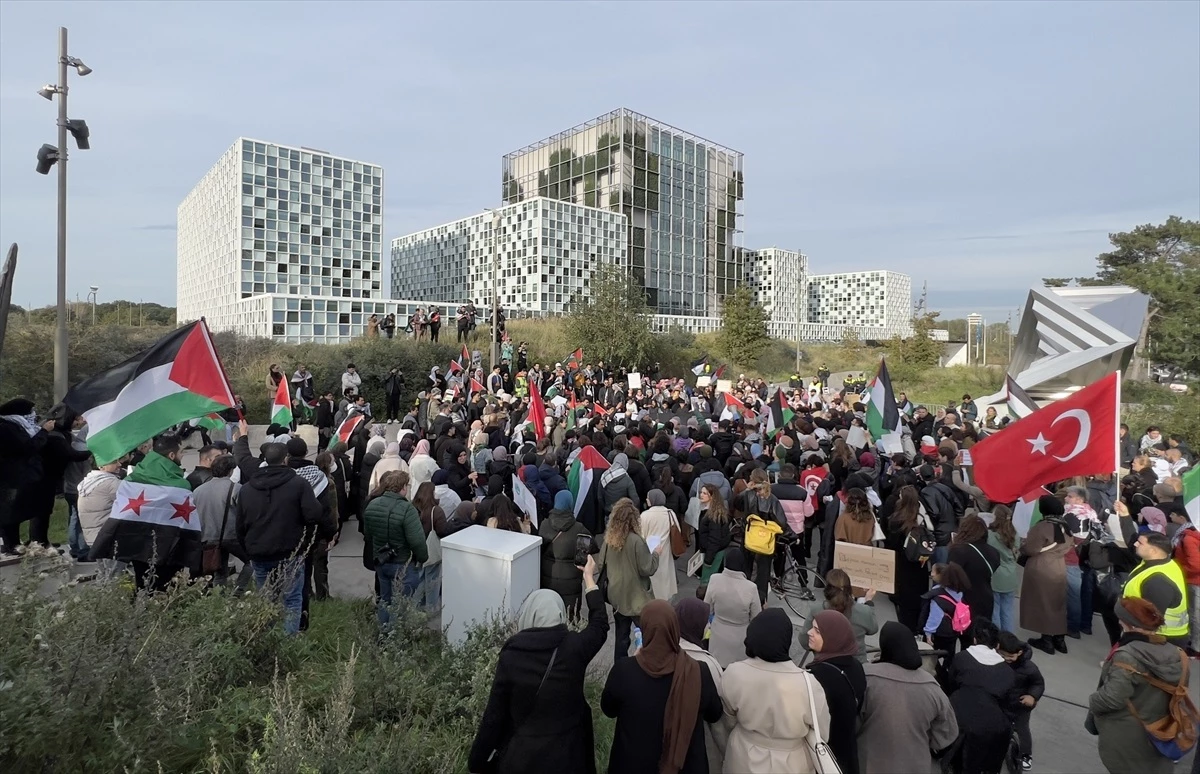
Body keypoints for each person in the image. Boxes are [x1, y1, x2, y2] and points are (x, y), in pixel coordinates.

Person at [468, 559, 609, 774]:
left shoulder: (512, 656)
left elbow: (494, 716)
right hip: (568, 755)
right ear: (560, 615)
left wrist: (477, 761)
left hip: (524, 757)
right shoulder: (574, 648)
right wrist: (589, 578)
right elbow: (599, 624)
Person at [601, 599, 723, 774]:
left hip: (632, 764)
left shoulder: (624, 670)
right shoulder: (697, 671)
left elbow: (608, 709)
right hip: (685, 765)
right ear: (674, 628)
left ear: (644, 629)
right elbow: (714, 714)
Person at [723, 607, 831, 774]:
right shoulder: (809, 683)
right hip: (792, 762)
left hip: (743, 754)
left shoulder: (734, 673)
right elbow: (822, 731)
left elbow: (727, 720)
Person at [235, 436, 324, 635]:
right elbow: (314, 515)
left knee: (266, 597)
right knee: (292, 599)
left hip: (258, 553)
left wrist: (248, 551)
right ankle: (288, 644)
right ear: (286, 459)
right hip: (290, 551)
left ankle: (268, 639)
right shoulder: (299, 484)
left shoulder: (247, 489)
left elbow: (239, 525)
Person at [1088, 597, 1187, 774]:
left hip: (1128, 734)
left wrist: (1094, 700)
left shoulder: (1127, 655)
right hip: (1161, 730)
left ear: (1128, 624)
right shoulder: (1177, 654)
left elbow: (1112, 698)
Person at [88, 435, 193, 591]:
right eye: (181, 452)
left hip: (138, 546)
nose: (182, 456)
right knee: (166, 587)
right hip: (168, 547)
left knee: (142, 583)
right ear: (171, 455)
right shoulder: (180, 486)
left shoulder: (131, 481)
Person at [858, 622, 959, 774]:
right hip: (915, 766)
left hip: (869, 763)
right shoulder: (933, 688)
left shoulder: (866, 677)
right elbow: (945, 735)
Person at [946, 619, 1017, 774]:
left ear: (974, 640)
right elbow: (1009, 706)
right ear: (997, 645)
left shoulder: (961, 658)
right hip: (994, 728)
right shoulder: (1008, 672)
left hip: (962, 721)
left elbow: (951, 686)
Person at [598, 498, 663, 660]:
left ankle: (620, 668)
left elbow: (601, 564)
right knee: (649, 635)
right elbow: (647, 568)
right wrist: (656, 554)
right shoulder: (636, 541)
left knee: (621, 637)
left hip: (616, 597)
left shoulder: (608, 540)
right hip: (636, 598)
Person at [362, 470, 428, 629]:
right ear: (403, 487)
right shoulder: (407, 509)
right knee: (401, 605)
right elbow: (417, 541)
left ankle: (382, 634)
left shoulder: (372, 504)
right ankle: (395, 639)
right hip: (402, 562)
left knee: (385, 599)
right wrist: (422, 558)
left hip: (382, 561)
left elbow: (368, 534)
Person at [674, 597, 731, 774]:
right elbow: (717, 715)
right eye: (707, 621)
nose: (709, 626)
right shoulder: (707, 663)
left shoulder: (666, 651)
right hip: (699, 740)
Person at [805, 609, 866, 774]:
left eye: (817, 631)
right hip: (847, 753)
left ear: (832, 637)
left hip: (823, 753)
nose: (809, 633)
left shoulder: (816, 676)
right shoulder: (857, 667)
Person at [732, 468, 794, 605]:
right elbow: (782, 522)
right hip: (766, 541)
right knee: (763, 572)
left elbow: (736, 504)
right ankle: (760, 602)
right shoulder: (772, 499)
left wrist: (747, 490)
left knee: (746, 569)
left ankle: (743, 599)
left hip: (748, 537)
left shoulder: (747, 495)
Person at [1020, 496, 1071, 655]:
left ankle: (1046, 639)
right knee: (1058, 603)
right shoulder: (1065, 525)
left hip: (1041, 566)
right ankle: (1059, 639)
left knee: (1043, 604)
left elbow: (1031, 549)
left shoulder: (1042, 526)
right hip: (1059, 565)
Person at [1122, 531, 1190, 648]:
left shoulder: (1158, 580)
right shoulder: (1156, 562)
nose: (1135, 544)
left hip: (1159, 638)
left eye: (1140, 543)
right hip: (1152, 633)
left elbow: (1150, 619)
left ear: (1153, 551)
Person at [193, 455, 250, 590]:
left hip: (208, 537)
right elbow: (243, 514)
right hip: (230, 536)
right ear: (230, 470)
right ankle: (238, 591)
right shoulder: (235, 488)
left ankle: (220, 595)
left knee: (220, 570)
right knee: (252, 562)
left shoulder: (198, 491)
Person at [883, 484, 932, 634]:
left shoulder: (897, 520)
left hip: (903, 565)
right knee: (919, 601)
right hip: (920, 564)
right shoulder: (922, 517)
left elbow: (891, 542)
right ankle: (919, 631)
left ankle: (907, 633)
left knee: (905, 605)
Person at [703, 548, 762, 668]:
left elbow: (706, 608)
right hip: (740, 639)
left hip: (717, 636)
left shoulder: (715, 579)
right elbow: (756, 619)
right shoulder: (751, 588)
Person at [539, 490, 593, 620]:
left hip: (547, 578)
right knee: (571, 617)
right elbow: (592, 546)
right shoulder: (579, 528)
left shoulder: (544, 524)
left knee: (549, 615)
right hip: (571, 582)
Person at [997, 630, 1045, 772]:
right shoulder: (997, 662)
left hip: (1020, 705)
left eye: (1010, 656)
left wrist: (1032, 696)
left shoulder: (1029, 668)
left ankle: (1025, 754)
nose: (1006, 659)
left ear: (1019, 653)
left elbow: (1038, 684)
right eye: (1002, 655)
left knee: (1022, 729)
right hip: (1001, 702)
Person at [76, 456, 125, 578]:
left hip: (94, 537)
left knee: (104, 574)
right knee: (114, 576)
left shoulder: (88, 481)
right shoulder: (111, 483)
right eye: (114, 461)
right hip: (110, 537)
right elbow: (132, 499)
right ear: (101, 466)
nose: (119, 464)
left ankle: (102, 596)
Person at [948, 512, 1001, 622]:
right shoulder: (994, 552)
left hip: (963, 599)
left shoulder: (958, 551)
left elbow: (950, 576)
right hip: (986, 598)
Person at [920, 561, 972, 670]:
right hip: (953, 630)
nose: (932, 574)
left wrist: (928, 633)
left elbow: (935, 617)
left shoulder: (938, 596)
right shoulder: (959, 592)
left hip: (940, 632)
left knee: (931, 656)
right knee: (949, 654)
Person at [410, 481, 450, 613]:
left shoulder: (413, 507)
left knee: (421, 578)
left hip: (417, 548)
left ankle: (415, 605)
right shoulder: (436, 511)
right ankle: (431, 608)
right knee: (432, 580)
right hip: (431, 549)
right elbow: (443, 530)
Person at [639, 489, 680, 602]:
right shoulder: (670, 513)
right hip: (666, 551)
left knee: (652, 579)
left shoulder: (645, 516)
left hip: (649, 552)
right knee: (665, 578)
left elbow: (640, 536)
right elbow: (677, 530)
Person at [987, 505, 1020, 633]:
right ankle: (1009, 639)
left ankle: (996, 639)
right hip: (1010, 575)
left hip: (995, 575)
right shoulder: (1015, 534)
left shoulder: (990, 535)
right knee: (1007, 611)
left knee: (994, 610)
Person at [696, 482, 732, 582]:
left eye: (705, 493)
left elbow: (714, 539)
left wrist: (708, 559)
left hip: (712, 553)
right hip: (713, 551)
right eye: (701, 492)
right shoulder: (712, 511)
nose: (701, 495)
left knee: (707, 581)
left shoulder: (713, 515)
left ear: (711, 496)